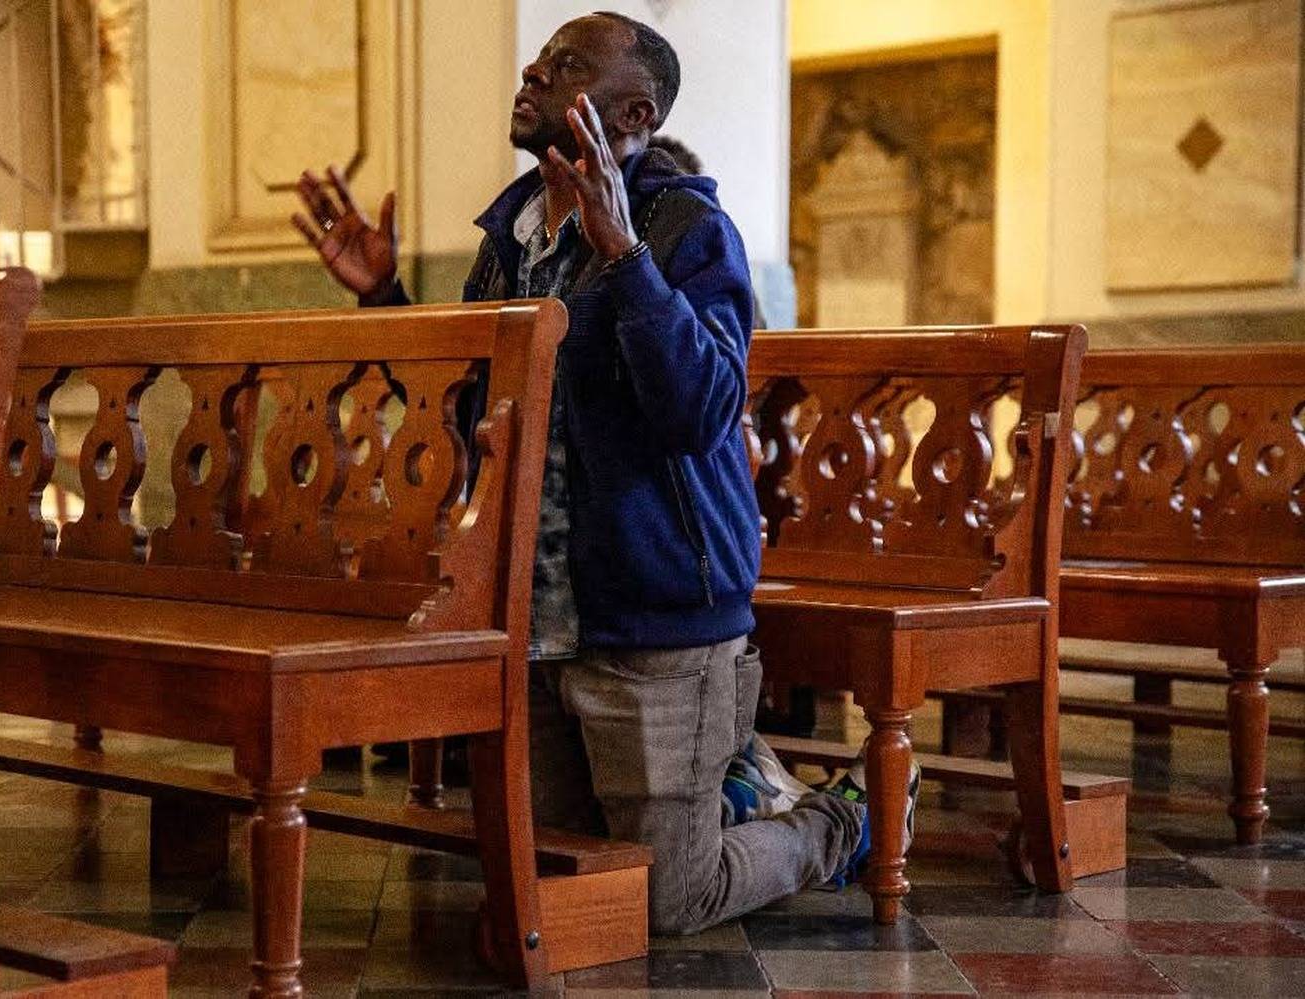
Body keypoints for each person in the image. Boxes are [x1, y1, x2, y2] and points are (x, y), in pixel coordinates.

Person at [294, 11, 911, 934]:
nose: (535, 72)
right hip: (540, 613)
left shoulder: (687, 229)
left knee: (667, 897)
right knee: (568, 878)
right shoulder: (512, 233)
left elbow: (699, 411)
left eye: (567, 64)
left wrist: (624, 258)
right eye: (540, 58)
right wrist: (385, 299)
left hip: (656, 611)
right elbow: (475, 406)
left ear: (633, 110)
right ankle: (732, 779)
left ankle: (841, 820)